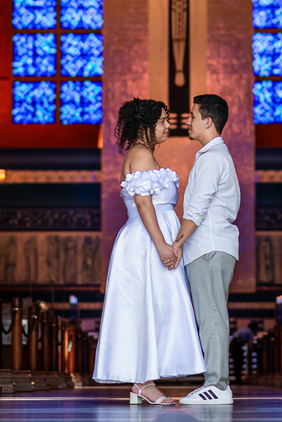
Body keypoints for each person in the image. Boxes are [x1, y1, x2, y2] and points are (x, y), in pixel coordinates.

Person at [92, 99, 205, 404]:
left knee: (155, 309)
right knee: (145, 308)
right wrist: (162, 246)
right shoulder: (141, 155)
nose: (169, 125)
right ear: (146, 125)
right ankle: (143, 382)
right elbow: (143, 204)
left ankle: (143, 382)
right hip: (146, 243)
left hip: (153, 240)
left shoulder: (147, 155)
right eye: (163, 120)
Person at [172, 94, 241, 406]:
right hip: (209, 246)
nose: (188, 120)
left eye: (193, 115)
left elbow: (196, 209)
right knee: (209, 316)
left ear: (208, 121)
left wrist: (175, 244)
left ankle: (217, 385)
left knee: (212, 316)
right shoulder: (211, 154)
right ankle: (214, 382)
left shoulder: (212, 157)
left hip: (210, 246)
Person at [229, 320, 260, 384]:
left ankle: (237, 378)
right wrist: (254, 350)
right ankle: (238, 379)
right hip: (236, 345)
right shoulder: (250, 332)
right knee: (239, 362)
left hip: (233, 344)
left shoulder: (244, 329)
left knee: (236, 362)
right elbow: (250, 343)